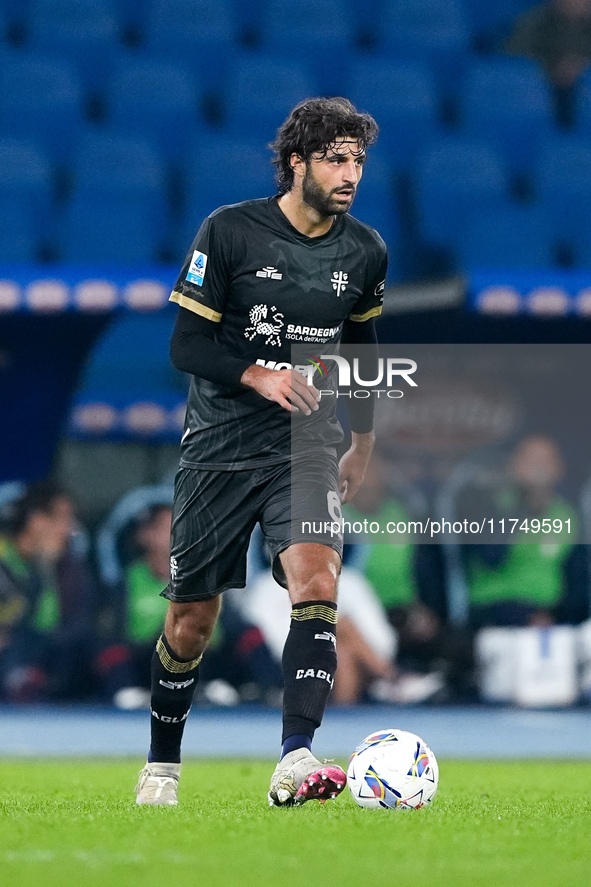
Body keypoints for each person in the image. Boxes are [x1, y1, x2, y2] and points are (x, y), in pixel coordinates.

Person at [134, 97, 387, 806]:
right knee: (191, 622)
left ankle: (295, 755)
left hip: (303, 447)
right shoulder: (230, 231)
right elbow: (186, 343)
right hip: (217, 449)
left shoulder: (363, 250)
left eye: (358, 160)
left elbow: (362, 348)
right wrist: (255, 373)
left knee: (317, 580)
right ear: (297, 161)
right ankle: (161, 765)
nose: (350, 173)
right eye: (336, 158)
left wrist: (362, 439)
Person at [0, 482, 96, 701]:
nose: (70, 530)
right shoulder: (3, 557)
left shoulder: (64, 566)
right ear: (36, 521)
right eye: (63, 519)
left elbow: (68, 629)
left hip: (41, 667)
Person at [504, 0, 591, 121]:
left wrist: (582, 67)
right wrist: (553, 69)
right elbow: (515, 59)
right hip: (542, 93)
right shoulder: (533, 22)